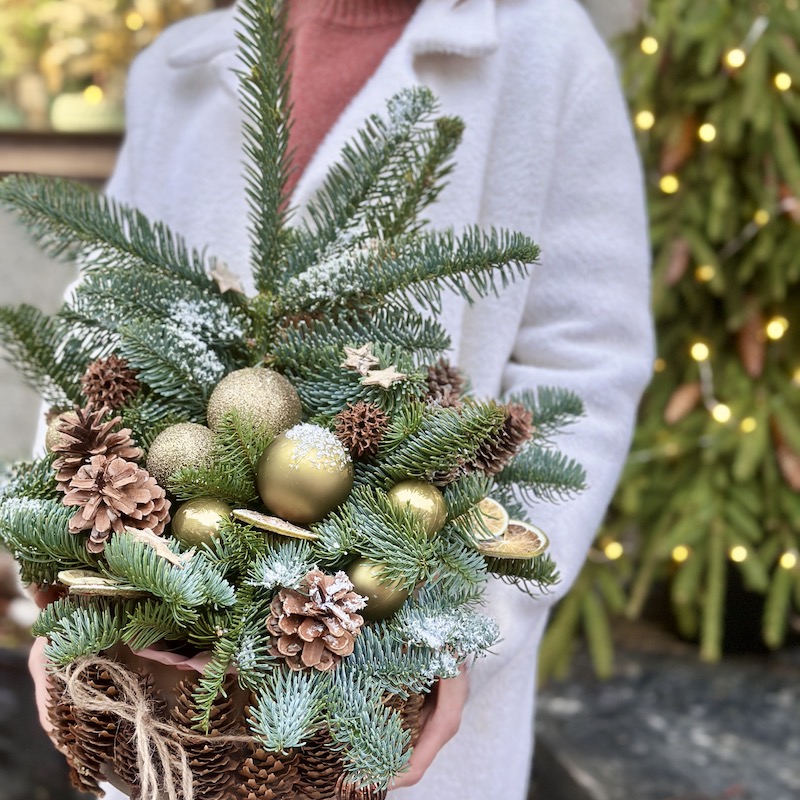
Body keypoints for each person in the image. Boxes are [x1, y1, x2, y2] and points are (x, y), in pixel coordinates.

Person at [29, 0, 654, 797]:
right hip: (163, 700)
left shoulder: (543, 50)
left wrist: (456, 634)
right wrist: (65, 596)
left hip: (396, 708)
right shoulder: (177, 70)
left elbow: (584, 367)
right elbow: (93, 337)